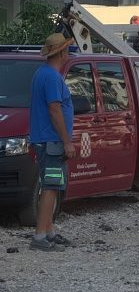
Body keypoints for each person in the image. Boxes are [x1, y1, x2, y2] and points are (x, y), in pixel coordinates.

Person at [29, 33, 76, 251]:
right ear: (62, 52)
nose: (69, 53)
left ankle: (49, 232)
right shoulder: (52, 77)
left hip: (46, 139)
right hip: (52, 141)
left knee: (53, 185)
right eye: (67, 49)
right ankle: (40, 236)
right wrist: (67, 141)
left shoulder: (42, 73)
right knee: (50, 187)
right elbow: (54, 109)